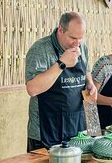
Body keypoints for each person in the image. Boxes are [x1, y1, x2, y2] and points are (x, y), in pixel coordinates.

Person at [25, 11, 97, 151]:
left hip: (77, 129)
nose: (77, 43)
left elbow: (86, 69)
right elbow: (32, 89)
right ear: (60, 29)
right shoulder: (40, 49)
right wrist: (61, 63)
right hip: (46, 133)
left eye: (80, 38)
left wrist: (90, 83)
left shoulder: (82, 47)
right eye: (72, 38)